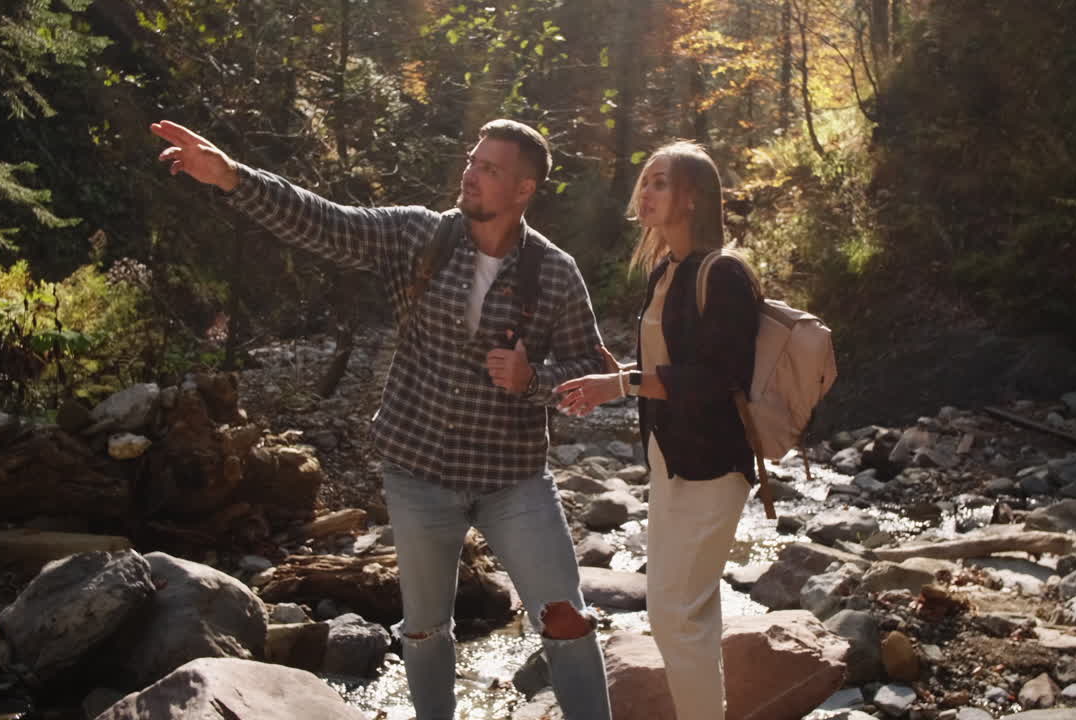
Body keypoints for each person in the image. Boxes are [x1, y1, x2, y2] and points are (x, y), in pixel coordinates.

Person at [150, 118, 612, 720]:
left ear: (524, 189)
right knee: (424, 630)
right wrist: (234, 178)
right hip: (419, 472)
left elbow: (589, 369)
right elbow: (326, 222)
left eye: (489, 169)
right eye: (471, 161)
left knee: (567, 620)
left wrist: (533, 381)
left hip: (513, 478)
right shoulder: (419, 235)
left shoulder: (555, 271)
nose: (470, 174)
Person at [556, 141, 762, 720]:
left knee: (674, 614)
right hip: (669, 459)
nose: (645, 192)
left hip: (714, 464)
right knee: (688, 611)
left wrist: (622, 384)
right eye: (644, 181)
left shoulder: (725, 273)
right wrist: (620, 374)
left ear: (692, 198)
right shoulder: (664, 269)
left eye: (660, 182)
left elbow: (719, 376)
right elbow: (671, 364)